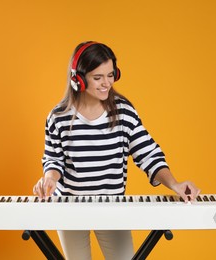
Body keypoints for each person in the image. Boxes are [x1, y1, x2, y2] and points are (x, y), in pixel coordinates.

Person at [32, 41, 200, 260]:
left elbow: (148, 154)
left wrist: (175, 184)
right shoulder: (58, 116)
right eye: (98, 77)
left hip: (112, 206)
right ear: (78, 79)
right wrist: (50, 179)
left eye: (110, 75)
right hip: (70, 207)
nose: (106, 83)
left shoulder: (123, 111)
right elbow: (54, 160)